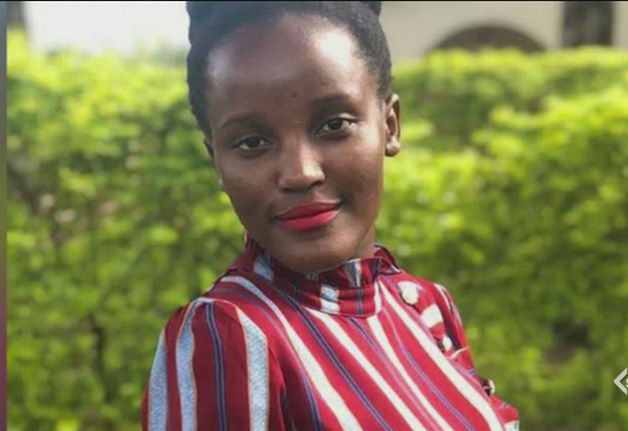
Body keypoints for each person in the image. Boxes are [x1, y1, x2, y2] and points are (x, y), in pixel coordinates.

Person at [141, 2, 520, 430]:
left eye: (334, 124)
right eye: (251, 142)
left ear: (390, 125)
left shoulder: (425, 307)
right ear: (217, 161)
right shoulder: (230, 334)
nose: (301, 172)